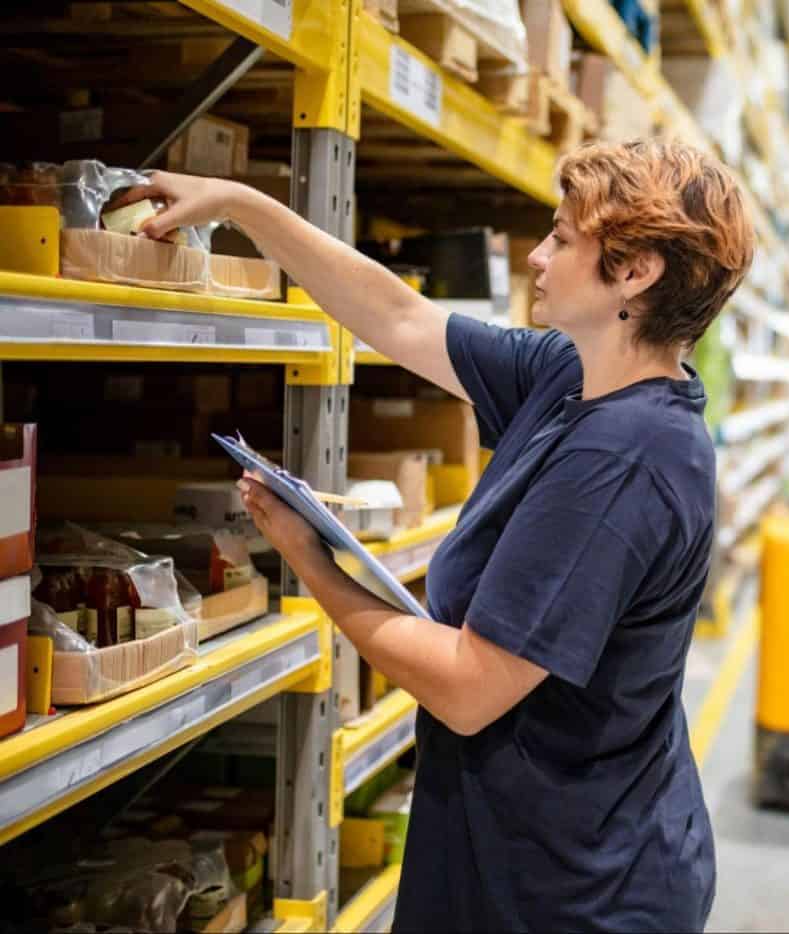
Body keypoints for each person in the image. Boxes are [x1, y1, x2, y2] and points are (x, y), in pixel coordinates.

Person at [123, 139, 754, 931]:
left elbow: (467, 688)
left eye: (561, 238)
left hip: (574, 890)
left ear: (635, 273)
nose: (536, 255)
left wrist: (309, 561)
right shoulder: (572, 377)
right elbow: (398, 316)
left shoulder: (624, 459)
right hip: (523, 839)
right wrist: (241, 206)